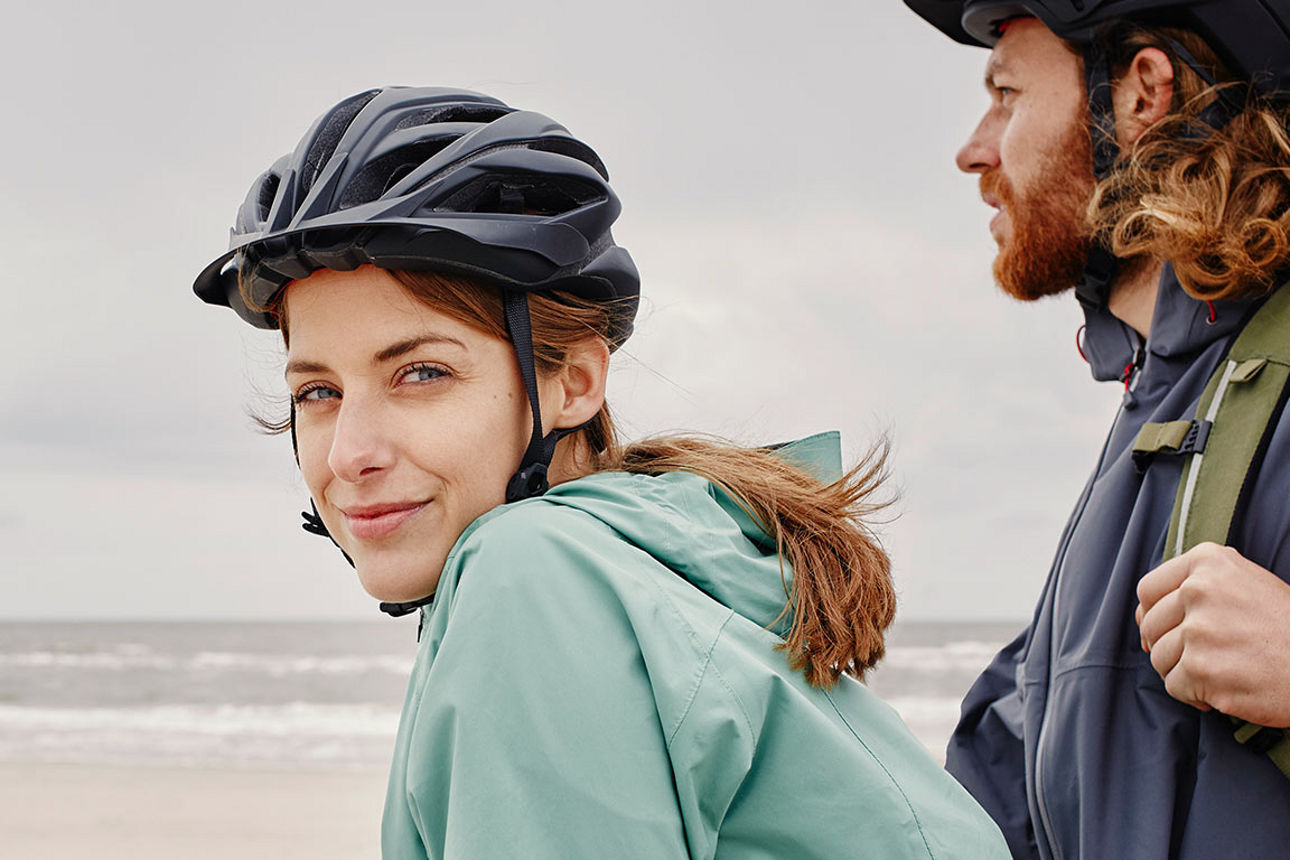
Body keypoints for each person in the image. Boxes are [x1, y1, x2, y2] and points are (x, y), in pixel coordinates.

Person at [193, 86, 1008, 859]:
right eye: (320, 392)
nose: (347, 453)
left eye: (422, 374)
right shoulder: (655, 567)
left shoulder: (532, 573)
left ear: (574, 382)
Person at [904, 1, 1290, 858]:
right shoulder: (1163, 412)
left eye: (1006, 95)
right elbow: (1000, 800)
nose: (975, 148)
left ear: (1143, 93)